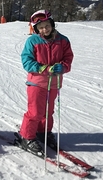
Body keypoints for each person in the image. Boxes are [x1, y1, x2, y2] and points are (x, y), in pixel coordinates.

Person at [16, 9, 74, 156]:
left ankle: (43, 132)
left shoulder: (63, 40)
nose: (44, 29)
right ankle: (26, 136)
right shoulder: (33, 41)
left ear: (52, 24)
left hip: (54, 83)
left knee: (48, 112)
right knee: (35, 112)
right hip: (36, 83)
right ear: (35, 29)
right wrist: (42, 68)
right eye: (40, 27)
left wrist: (63, 67)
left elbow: (68, 58)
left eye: (47, 25)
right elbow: (26, 61)